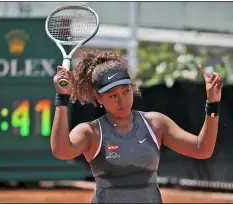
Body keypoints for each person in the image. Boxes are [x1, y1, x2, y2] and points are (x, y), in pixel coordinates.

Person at [50, 50, 223, 203]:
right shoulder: (91, 132)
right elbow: (61, 151)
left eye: (126, 91)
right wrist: (62, 99)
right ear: (99, 98)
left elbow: (202, 149)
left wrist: (213, 104)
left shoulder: (156, 124)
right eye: (112, 95)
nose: (122, 100)